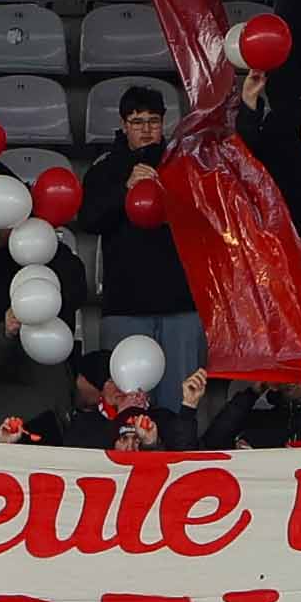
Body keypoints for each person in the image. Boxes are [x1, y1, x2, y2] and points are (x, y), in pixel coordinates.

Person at [79, 86, 200, 382]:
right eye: (137, 122)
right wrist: (125, 190)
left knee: (180, 399)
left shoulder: (182, 165)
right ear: (123, 124)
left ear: (164, 123)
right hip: (126, 303)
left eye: (154, 121)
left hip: (180, 304)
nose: (146, 130)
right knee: (129, 401)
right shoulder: (105, 169)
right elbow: (89, 220)